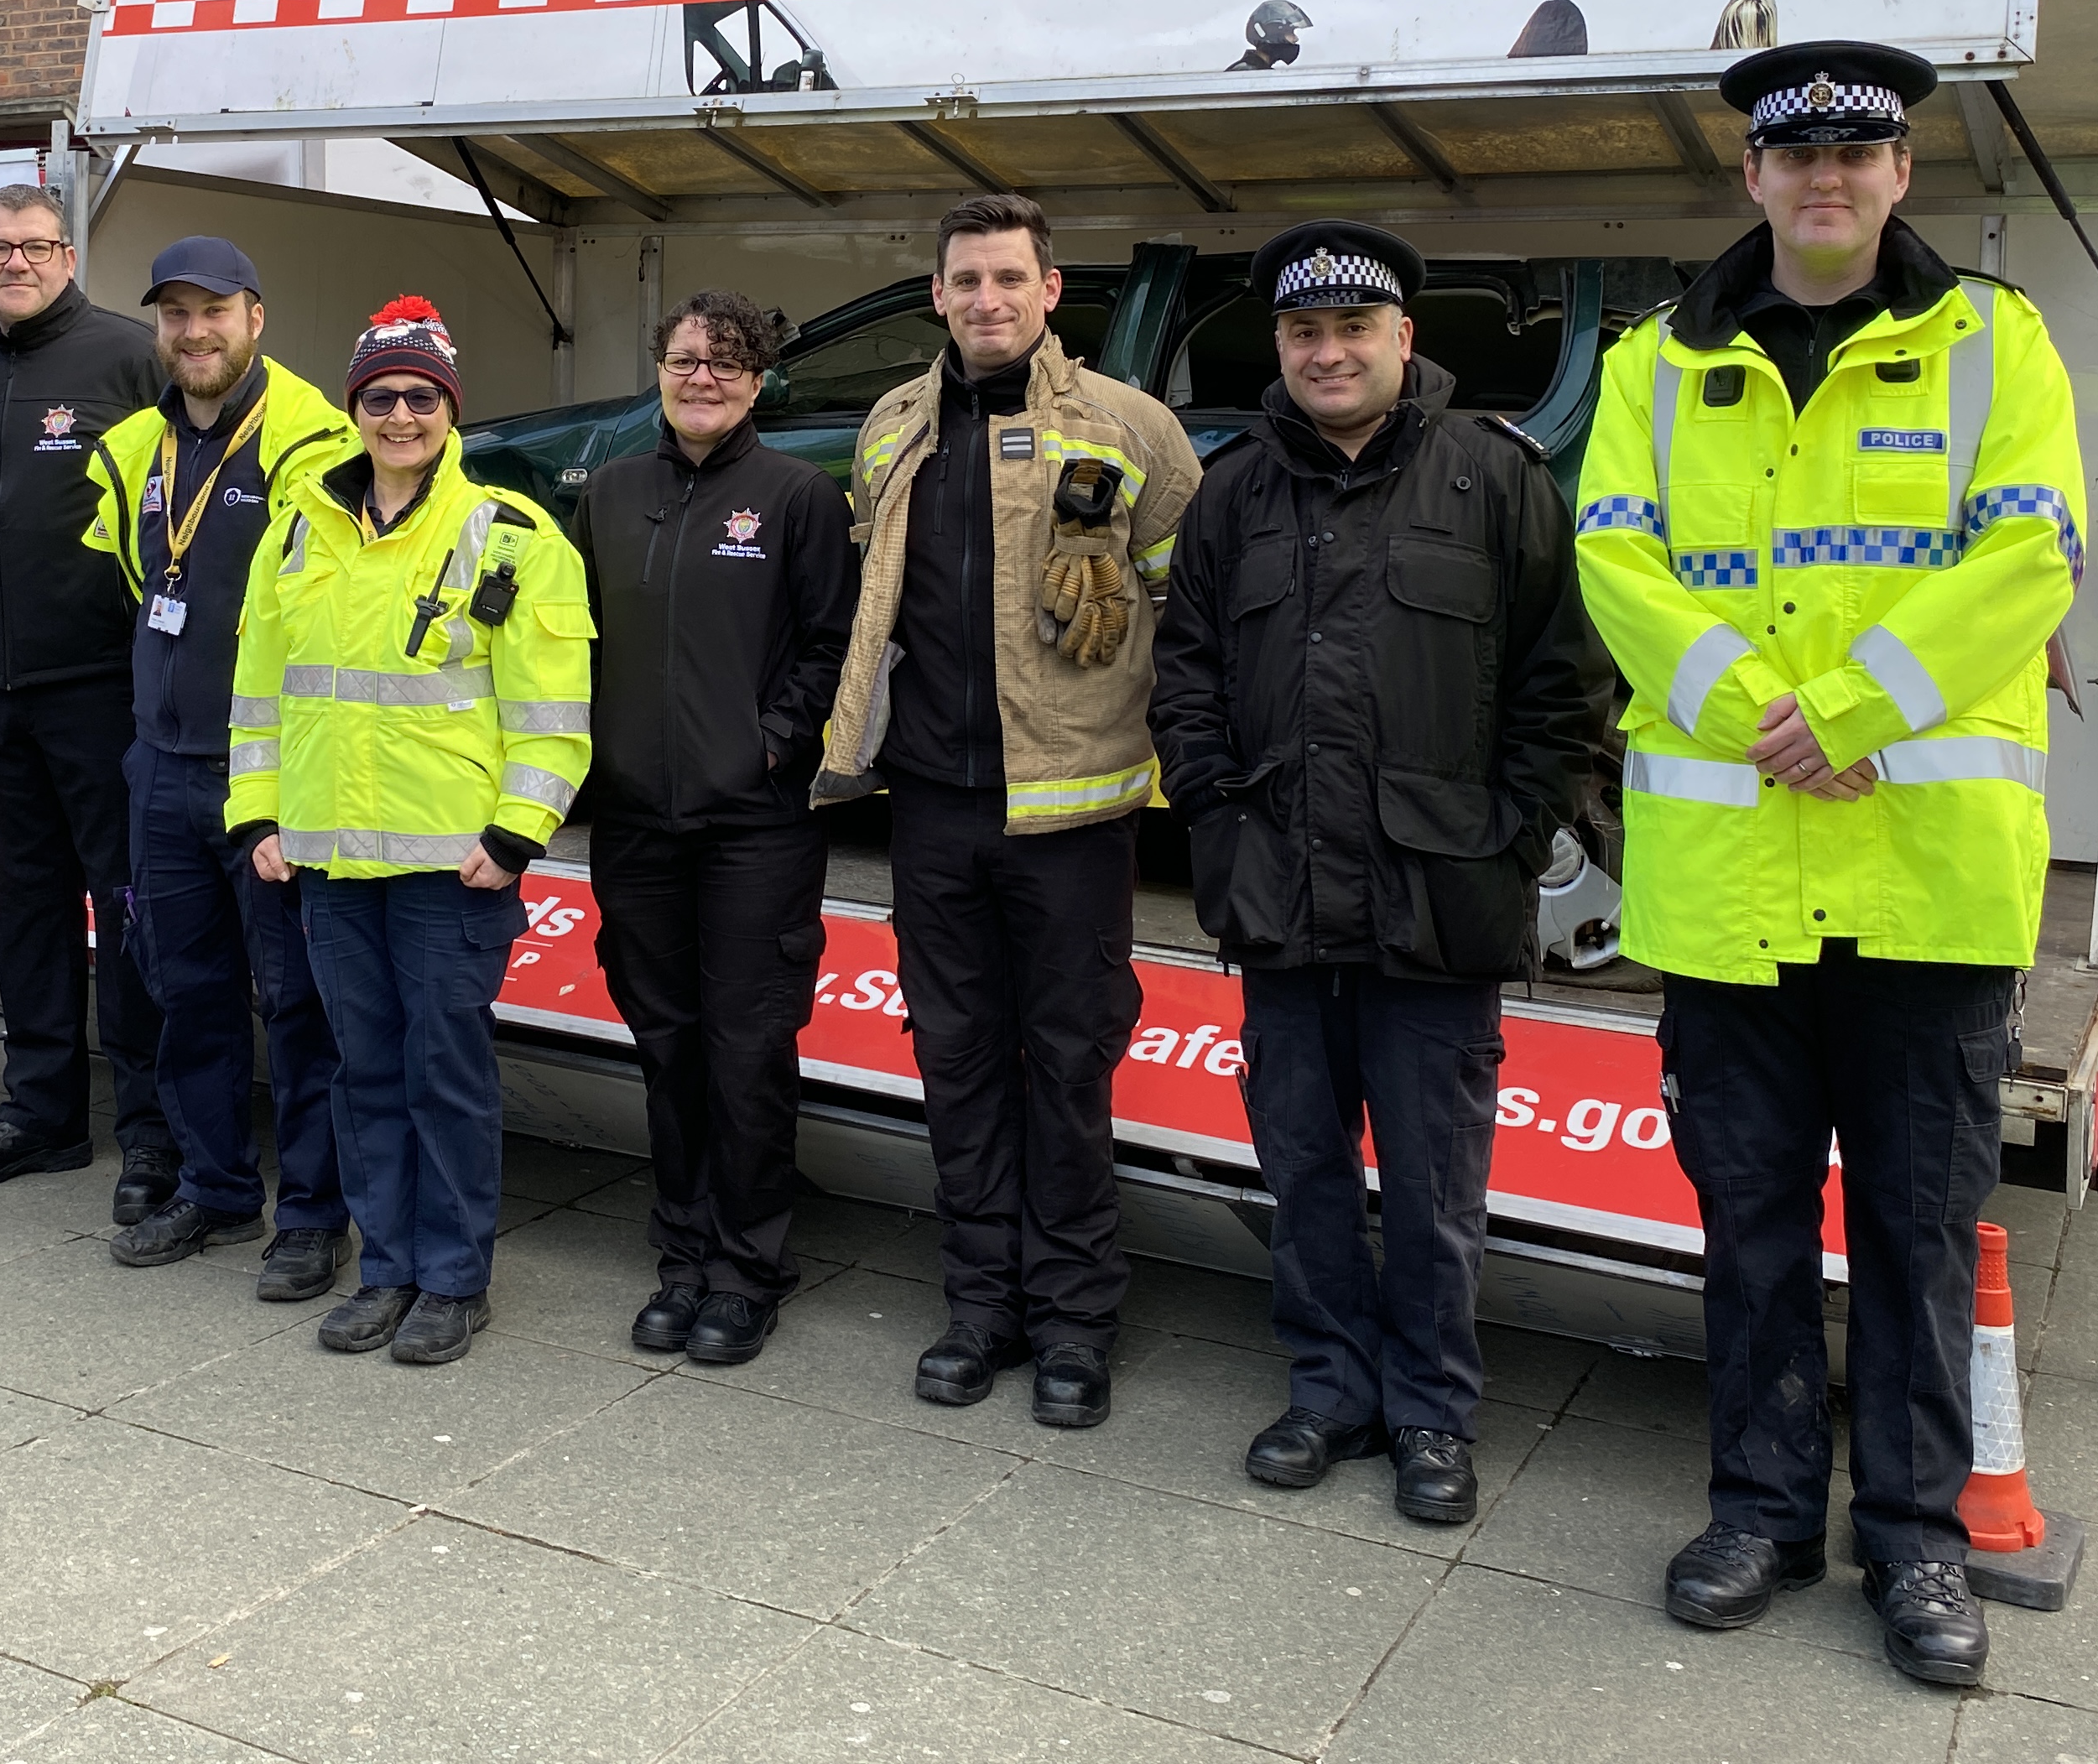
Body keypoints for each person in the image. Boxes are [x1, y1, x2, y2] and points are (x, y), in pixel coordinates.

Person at [1574, 41, 2086, 1690]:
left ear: (1898, 172)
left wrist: (1857, 709)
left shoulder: (1992, 345)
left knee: (1921, 1241)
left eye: (1858, 150)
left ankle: (1920, 1543)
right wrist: (1758, 709)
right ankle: (1762, 1511)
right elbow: (1615, 556)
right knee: (1754, 1232)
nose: (1826, 176)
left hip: (1926, 888)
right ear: (1753, 177)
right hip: (1732, 900)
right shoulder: (1658, 365)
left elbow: (2034, 552)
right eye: (1795, 153)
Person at [1149, 220, 1608, 1522]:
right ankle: (1328, 1391)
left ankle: (1429, 1414)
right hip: (1280, 903)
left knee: (1435, 1190)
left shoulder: (1494, 477)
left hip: (1438, 902)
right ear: (1280, 347)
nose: (1329, 352)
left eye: (1355, 329)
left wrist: (1513, 840)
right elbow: (1185, 676)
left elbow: (1563, 684)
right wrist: (1215, 816)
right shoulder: (1231, 490)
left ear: (1406, 338)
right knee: (1300, 1173)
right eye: (1305, 332)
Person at [813, 194, 1200, 1428]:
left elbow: (1189, 614)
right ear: (938, 295)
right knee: (959, 1062)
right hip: (931, 807)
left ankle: (1078, 1320)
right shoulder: (890, 427)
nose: (987, 300)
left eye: (1008, 280)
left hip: (1074, 819)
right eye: (965, 280)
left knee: (1070, 1067)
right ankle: (982, 1307)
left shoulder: (1131, 429)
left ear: (1051, 292)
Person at [228, 297, 593, 1367]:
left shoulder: (512, 537)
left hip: (454, 869)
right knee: (363, 1070)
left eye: (420, 397)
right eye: (380, 396)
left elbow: (553, 708)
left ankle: (452, 1279)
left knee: (445, 1073)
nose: (400, 415)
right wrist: (258, 810)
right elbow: (259, 690)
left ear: (450, 410)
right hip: (330, 862)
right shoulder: (300, 524)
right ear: (354, 408)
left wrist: (519, 832)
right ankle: (385, 1266)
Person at [577, 289, 856, 1366]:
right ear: (659, 366)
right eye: (687, 359)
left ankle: (747, 1271)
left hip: (755, 828)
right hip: (637, 823)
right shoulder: (608, 492)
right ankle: (682, 1260)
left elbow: (833, 646)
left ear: (760, 383)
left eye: (729, 364)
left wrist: (769, 744)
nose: (705, 378)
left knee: (746, 1054)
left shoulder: (795, 497)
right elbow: (577, 642)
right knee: (667, 1046)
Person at [79, 237, 357, 1297]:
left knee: (296, 1003)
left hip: (270, 776)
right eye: (175, 314)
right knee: (182, 989)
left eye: (215, 312)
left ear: (257, 318)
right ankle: (216, 1186)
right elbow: (135, 582)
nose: (194, 333)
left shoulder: (315, 442)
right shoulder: (131, 448)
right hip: (162, 765)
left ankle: (315, 1213)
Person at [0, 183, 178, 1209]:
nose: (14, 263)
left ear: (67, 255)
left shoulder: (128, 357)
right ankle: (41, 1115)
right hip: (0, 694)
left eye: (33, 246)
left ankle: (154, 1130)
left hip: (108, 691)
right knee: (25, 912)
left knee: (128, 916)